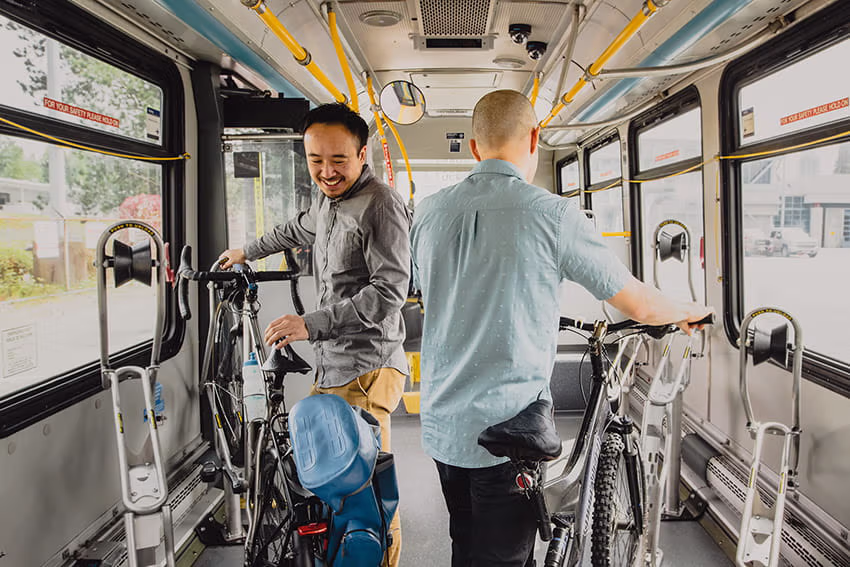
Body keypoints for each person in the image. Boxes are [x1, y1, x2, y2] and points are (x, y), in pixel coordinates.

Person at [409, 90, 712, 567]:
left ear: (473, 148)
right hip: (506, 431)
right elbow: (636, 301)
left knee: (464, 543)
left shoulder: (427, 212)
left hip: (444, 424)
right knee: (504, 557)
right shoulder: (553, 215)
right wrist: (687, 309)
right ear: (535, 138)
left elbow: (433, 291)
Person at [220, 102, 410, 566]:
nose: (326, 171)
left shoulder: (381, 205)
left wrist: (311, 324)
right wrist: (247, 250)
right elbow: (293, 230)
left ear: (362, 154)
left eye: (338, 160)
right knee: (333, 485)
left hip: (367, 367)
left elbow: (389, 292)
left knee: (365, 491)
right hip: (334, 364)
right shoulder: (327, 203)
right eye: (315, 160)